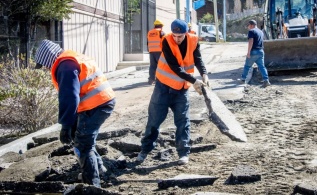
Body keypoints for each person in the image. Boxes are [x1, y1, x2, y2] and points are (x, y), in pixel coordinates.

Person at [34, 40, 116, 188]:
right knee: (85, 141)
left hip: (96, 105)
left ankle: (92, 185)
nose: (46, 68)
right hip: (101, 102)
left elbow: (69, 97)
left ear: (49, 58)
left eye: (45, 64)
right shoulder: (71, 59)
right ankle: (100, 170)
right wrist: (72, 122)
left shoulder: (65, 66)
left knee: (82, 145)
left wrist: (66, 124)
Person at [136, 19, 209, 165]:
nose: (177, 39)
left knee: (183, 121)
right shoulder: (166, 40)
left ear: (186, 33)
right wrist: (194, 81)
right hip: (162, 88)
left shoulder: (193, 40)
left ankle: (183, 153)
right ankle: (145, 150)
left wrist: (204, 74)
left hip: (181, 90)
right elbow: (175, 67)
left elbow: (198, 59)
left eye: (180, 36)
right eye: (175, 36)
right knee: (154, 121)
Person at [240, 20, 270, 87]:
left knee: (247, 66)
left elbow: (251, 41)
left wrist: (248, 52)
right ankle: (266, 80)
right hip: (261, 51)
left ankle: (243, 79)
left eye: (248, 25)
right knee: (262, 67)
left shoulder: (251, 31)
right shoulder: (261, 32)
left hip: (253, 51)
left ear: (251, 25)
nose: (248, 27)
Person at [147, 19, 166, 85]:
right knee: (161, 66)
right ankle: (160, 80)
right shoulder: (161, 32)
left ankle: (151, 79)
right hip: (159, 51)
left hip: (151, 51)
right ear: (161, 26)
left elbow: (147, 42)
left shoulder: (150, 32)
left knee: (152, 66)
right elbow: (165, 42)